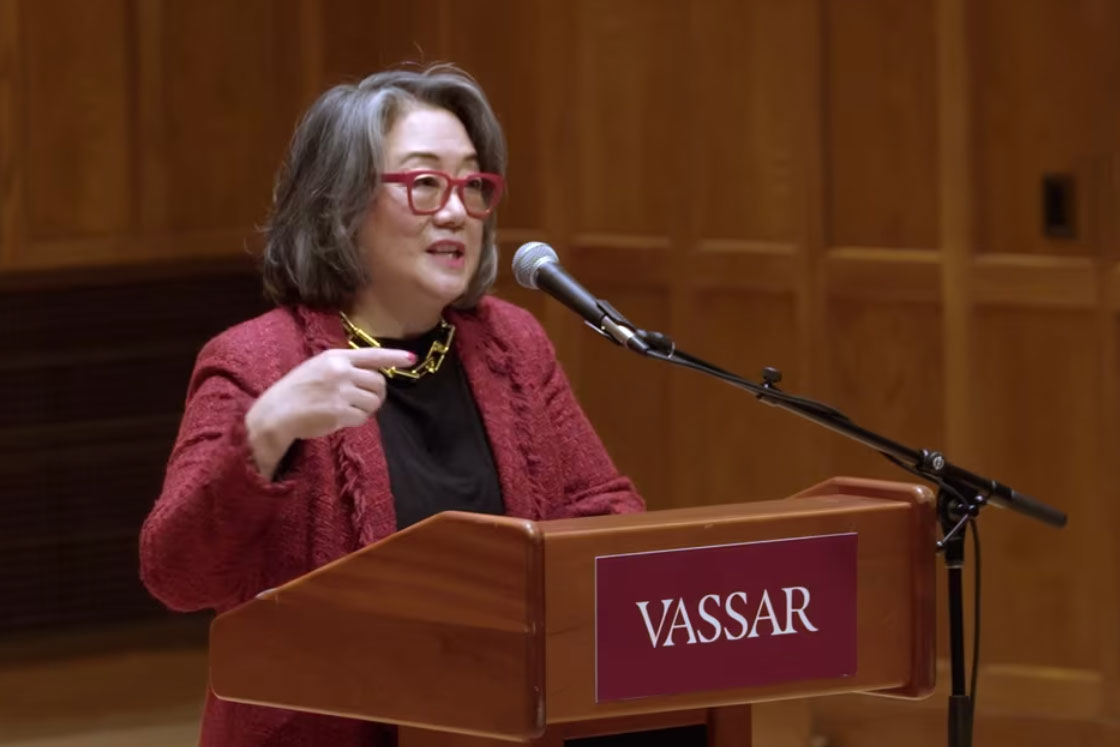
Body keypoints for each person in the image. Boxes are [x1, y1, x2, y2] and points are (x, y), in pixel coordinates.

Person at [139, 64, 644, 747]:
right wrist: (266, 429)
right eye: (425, 182)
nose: (456, 210)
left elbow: (604, 509)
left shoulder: (512, 344)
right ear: (340, 204)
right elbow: (176, 572)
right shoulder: (258, 362)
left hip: (498, 725)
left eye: (472, 183)